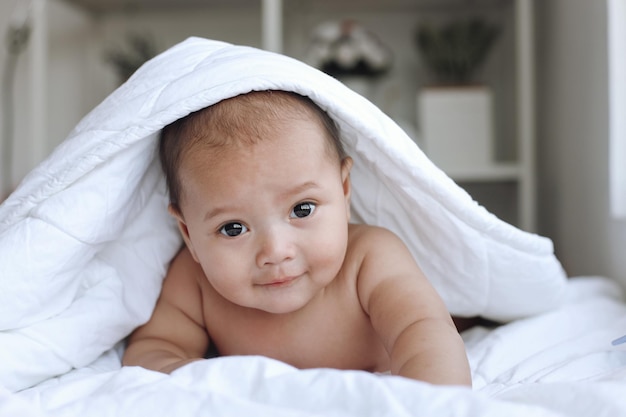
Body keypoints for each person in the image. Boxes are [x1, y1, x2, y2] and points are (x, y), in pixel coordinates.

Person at [122, 90, 472, 386]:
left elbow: (424, 332)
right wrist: (202, 381)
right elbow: (154, 350)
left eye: (302, 209)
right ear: (189, 234)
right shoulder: (195, 279)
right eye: (233, 228)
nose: (275, 251)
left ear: (344, 190)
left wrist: (432, 400)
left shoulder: (369, 259)